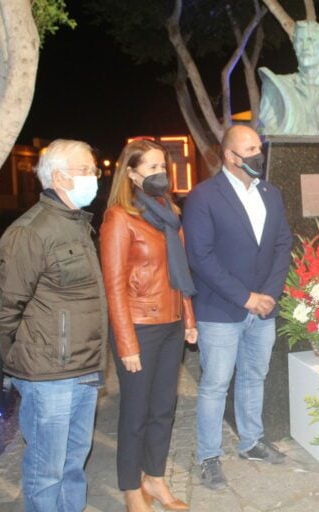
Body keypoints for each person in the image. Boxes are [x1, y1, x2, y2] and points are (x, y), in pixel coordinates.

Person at [0, 139, 107, 512]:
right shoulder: (31, 231)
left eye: (93, 170)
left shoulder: (77, 224)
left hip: (84, 366)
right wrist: (22, 360)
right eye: (86, 170)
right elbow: (4, 308)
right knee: (47, 470)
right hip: (48, 375)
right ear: (59, 177)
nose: (94, 177)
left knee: (74, 463)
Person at [183, 125, 293, 490]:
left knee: (253, 376)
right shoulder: (203, 197)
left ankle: (251, 442)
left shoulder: (271, 193)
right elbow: (200, 257)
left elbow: (282, 244)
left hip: (263, 308)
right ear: (230, 156)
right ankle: (209, 456)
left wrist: (269, 294)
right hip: (221, 309)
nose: (258, 155)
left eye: (259, 147)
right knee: (215, 384)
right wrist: (246, 297)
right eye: (250, 150)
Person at [100, 140, 198, 512]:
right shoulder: (119, 218)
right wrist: (126, 343)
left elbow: (179, 272)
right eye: (152, 168)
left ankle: (154, 479)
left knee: (163, 409)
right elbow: (114, 287)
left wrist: (188, 318)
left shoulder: (169, 214)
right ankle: (131, 487)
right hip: (139, 326)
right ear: (131, 173)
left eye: (162, 167)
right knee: (136, 413)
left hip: (171, 323)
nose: (160, 174)